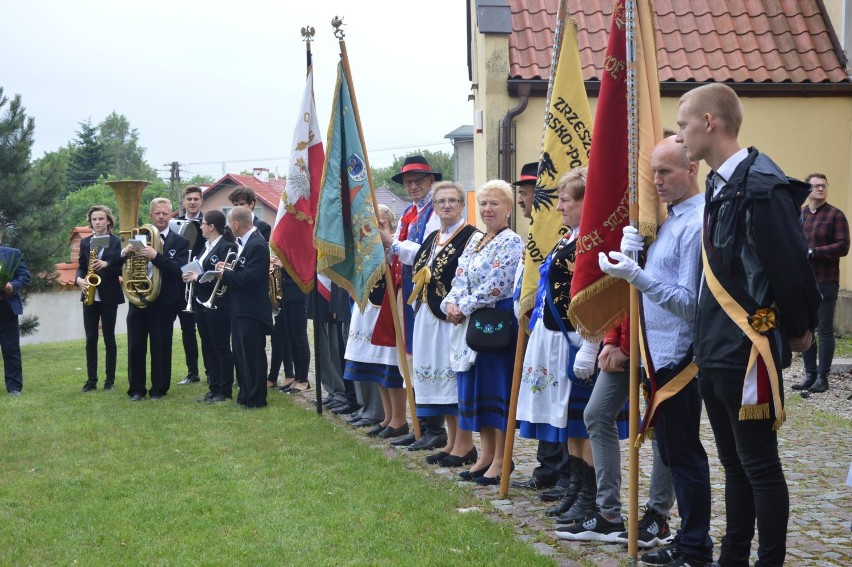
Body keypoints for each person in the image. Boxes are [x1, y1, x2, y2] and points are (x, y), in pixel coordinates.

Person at [676, 83, 820, 566]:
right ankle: (734, 557)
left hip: (747, 349)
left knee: (759, 464)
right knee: (734, 465)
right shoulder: (719, 183)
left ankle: (769, 561)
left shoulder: (763, 185)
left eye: (683, 123)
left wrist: (800, 327)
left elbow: (791, 265)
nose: (681, 135)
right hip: (714, 347)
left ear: (709, 122)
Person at [589, 137, 712, 565]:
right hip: (653, 353)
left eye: (667, 172)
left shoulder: (696, 223)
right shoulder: (667, 220)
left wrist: (637, 275)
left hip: (679, 358)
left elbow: (691, 304)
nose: (656, 181)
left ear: (692, 170)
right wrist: (633, 258)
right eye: (653, 172)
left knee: (684, 455)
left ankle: (695, 545)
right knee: (672, 452)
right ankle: (687, 540)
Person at [442, 179, 524, 485]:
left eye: (495, 203)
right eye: (484, 204)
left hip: (495, 322)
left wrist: (463, 306)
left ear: (508, 208)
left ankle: (503, 458)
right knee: (476, 389)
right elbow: (460, 276)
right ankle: (486, 455)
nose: (488, 209)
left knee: (495, 390)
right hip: (472, 321)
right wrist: (451, 302)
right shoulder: (476, 241)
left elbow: (497, 284)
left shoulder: (512, 241)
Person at [509, 161, 571, 493]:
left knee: (556, 396)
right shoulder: (535, 230)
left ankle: (563, 468)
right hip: (539, 325)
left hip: (559, 327)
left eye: (526, 191)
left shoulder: (556, 230)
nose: (521, 198)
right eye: (519, 192)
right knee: (540, 393)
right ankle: (548, 465)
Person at [409, 182, 480, 465]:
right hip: (428, 316)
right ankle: (452, 443)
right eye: (441, 202)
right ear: (435, 207)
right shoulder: (433, 237)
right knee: (438, 382)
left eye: (452, 201)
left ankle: (465, 445)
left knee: (453, 382)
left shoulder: (472, 237)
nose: (446, 206)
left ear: (462, 205)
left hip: (452, 319)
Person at [378, 155, 443, 448]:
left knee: (424, 356)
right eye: (408, 182)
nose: (413, 186)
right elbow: (401, 251)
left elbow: (426, 253)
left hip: (427, 294)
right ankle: (418, 422)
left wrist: (392, 243)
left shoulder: (434, 214)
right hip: (408, 291)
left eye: (419, 180)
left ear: (431, 181)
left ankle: (433, 426)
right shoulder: (409, 213)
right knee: (411, 359)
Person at [121, 198, 189, 401]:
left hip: (164, 302)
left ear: (171, 215)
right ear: (151, 215)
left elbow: (179, 270)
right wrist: (125, 255)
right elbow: (122, 264)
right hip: (138, 298)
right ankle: (136, 389)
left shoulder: (180, 242)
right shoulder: (137, 238)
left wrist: (155, 256)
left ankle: (159, 389)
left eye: (165, 213)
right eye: (157, 213)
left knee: (161, 346)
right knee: (135, 345)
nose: (161, 217)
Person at [794, 172, 849, 394]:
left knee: (824, 329)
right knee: (806, 327)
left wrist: (813, 252)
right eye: (816, 186)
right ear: (807, 190)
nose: (820, 189)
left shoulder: (836, 215)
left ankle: (823, 377)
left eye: (823, 185)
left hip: (826, 281)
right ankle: (810, 374)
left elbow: (843, 246)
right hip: (803, 281)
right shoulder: (799, 215)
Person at [218, 205, 272, 409]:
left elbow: (251, 278)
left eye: (229, 223)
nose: (229, 227)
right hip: (241, 309)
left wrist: (225, 274)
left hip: (252, 311)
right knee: (241, 355)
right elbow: (243, 269)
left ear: (236, 223)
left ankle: (256, 398)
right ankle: (246, 394)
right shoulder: (244, 243)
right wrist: (226, 268)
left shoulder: (257, 244)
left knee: (253, 356)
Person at [182, 210, 236, 403]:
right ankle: (213, 388)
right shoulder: (206, 246)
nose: (201, 227)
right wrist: (190, 273)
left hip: (218, 305)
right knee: (208, 347)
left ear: (211, 226)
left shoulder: (227, 246)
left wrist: (198, 277)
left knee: (221, 348)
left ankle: (224, 390)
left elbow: (220, 274)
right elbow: (202, 267)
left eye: (203, 223)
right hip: (201, 302)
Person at [75, 205, 124, 392]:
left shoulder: (117, 242)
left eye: (101, 219)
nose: (97, 222)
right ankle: (91, 380)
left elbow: (121, 268)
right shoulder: (86, 242)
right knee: (90, 339)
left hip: (109, 295)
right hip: (89, 293)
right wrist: (78, 279)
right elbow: (81, 265)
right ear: (91, 222)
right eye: (94, 219)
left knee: (109, 339)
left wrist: (107, 264)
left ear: (108, 221)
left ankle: (109, 381)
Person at [176, 185, 205, 386]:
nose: (193, 202)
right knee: (187, 330)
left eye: (196, 199)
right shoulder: (174, 223)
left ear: (201, 201)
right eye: (189, 199)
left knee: (206, 330)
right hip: (182, 282)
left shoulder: (209, 222)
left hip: (202, 282)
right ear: (184, 202)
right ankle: (192, 372)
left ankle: (212, 372)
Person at [269, 262, 311, 394]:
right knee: (292, 338)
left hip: (298, 291)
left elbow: (304, 267)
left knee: (300, 337)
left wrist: (284, 265)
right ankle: (297, 378)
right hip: (287, 291)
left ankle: (304, 380)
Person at [0, 240, 31, 396]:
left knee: (11, 349)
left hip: (6, 308)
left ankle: (14, 387)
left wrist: (13, 285)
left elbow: (25, 275)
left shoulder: (12, 253)